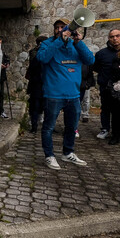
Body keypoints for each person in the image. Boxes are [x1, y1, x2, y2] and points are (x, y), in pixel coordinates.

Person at [36, 19, 94, 170]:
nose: (60, 30)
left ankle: (68, 153)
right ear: (54, 30)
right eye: (57, 28)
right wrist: (60, 40)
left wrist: (78, 42)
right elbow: (42, 58)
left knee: (71, 127)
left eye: (64, 27)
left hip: (73, 95)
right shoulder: (48, 43)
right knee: (48, 127)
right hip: (53, 94)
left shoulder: (75, 45)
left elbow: (90, 60)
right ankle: (49, 156)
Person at [93, 28, 120, 139]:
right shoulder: (102, 53)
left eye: (117, 35)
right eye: (112, 37)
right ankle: (105, 128)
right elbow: (96, 67)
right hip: (105, 85)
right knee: (105, 108)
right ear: (108, 38)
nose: (115, 39)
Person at [25, 35, 48, 133]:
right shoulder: (35, 53)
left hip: (44, 83)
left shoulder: (45, 53)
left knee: (45, 106)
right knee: (36, 105)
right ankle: (34, 125)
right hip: (37, 83)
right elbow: (34, 65)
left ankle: (43, 125)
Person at [0, 35, 11, 119]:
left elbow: (6, 58)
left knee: (1, 94)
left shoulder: (1, 51)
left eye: (0, 43)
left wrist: (7, 63)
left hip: (1, 76)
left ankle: (1, 111)